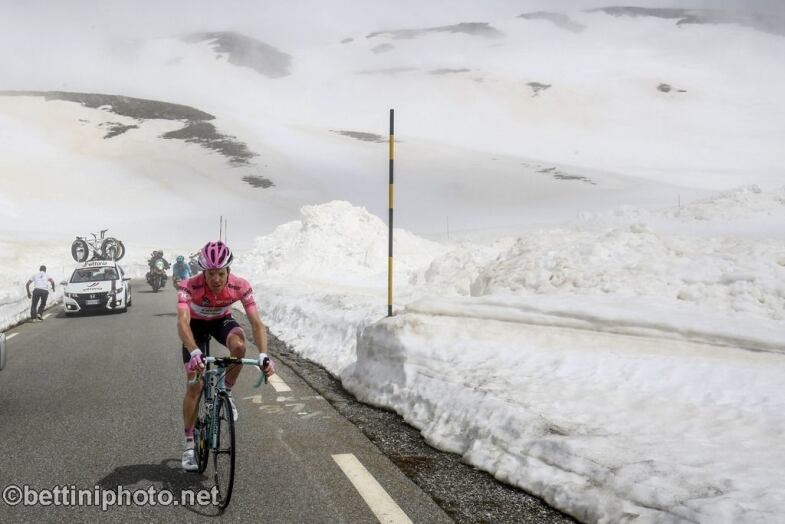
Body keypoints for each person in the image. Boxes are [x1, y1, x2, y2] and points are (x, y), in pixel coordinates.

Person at [177, 240, 275, 472]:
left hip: (221, 321)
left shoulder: (240, 286)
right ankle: (189, 445)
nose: (216, 279)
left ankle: (226, 391)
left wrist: (263, 355)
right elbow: (182, 322)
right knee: (195, 385)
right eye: (211, 273)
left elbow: (256, 324)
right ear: (204, 272)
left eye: (221, 273)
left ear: (228, 271)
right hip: (196, 327)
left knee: (240, 347)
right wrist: (194, 351)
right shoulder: (188, 285)